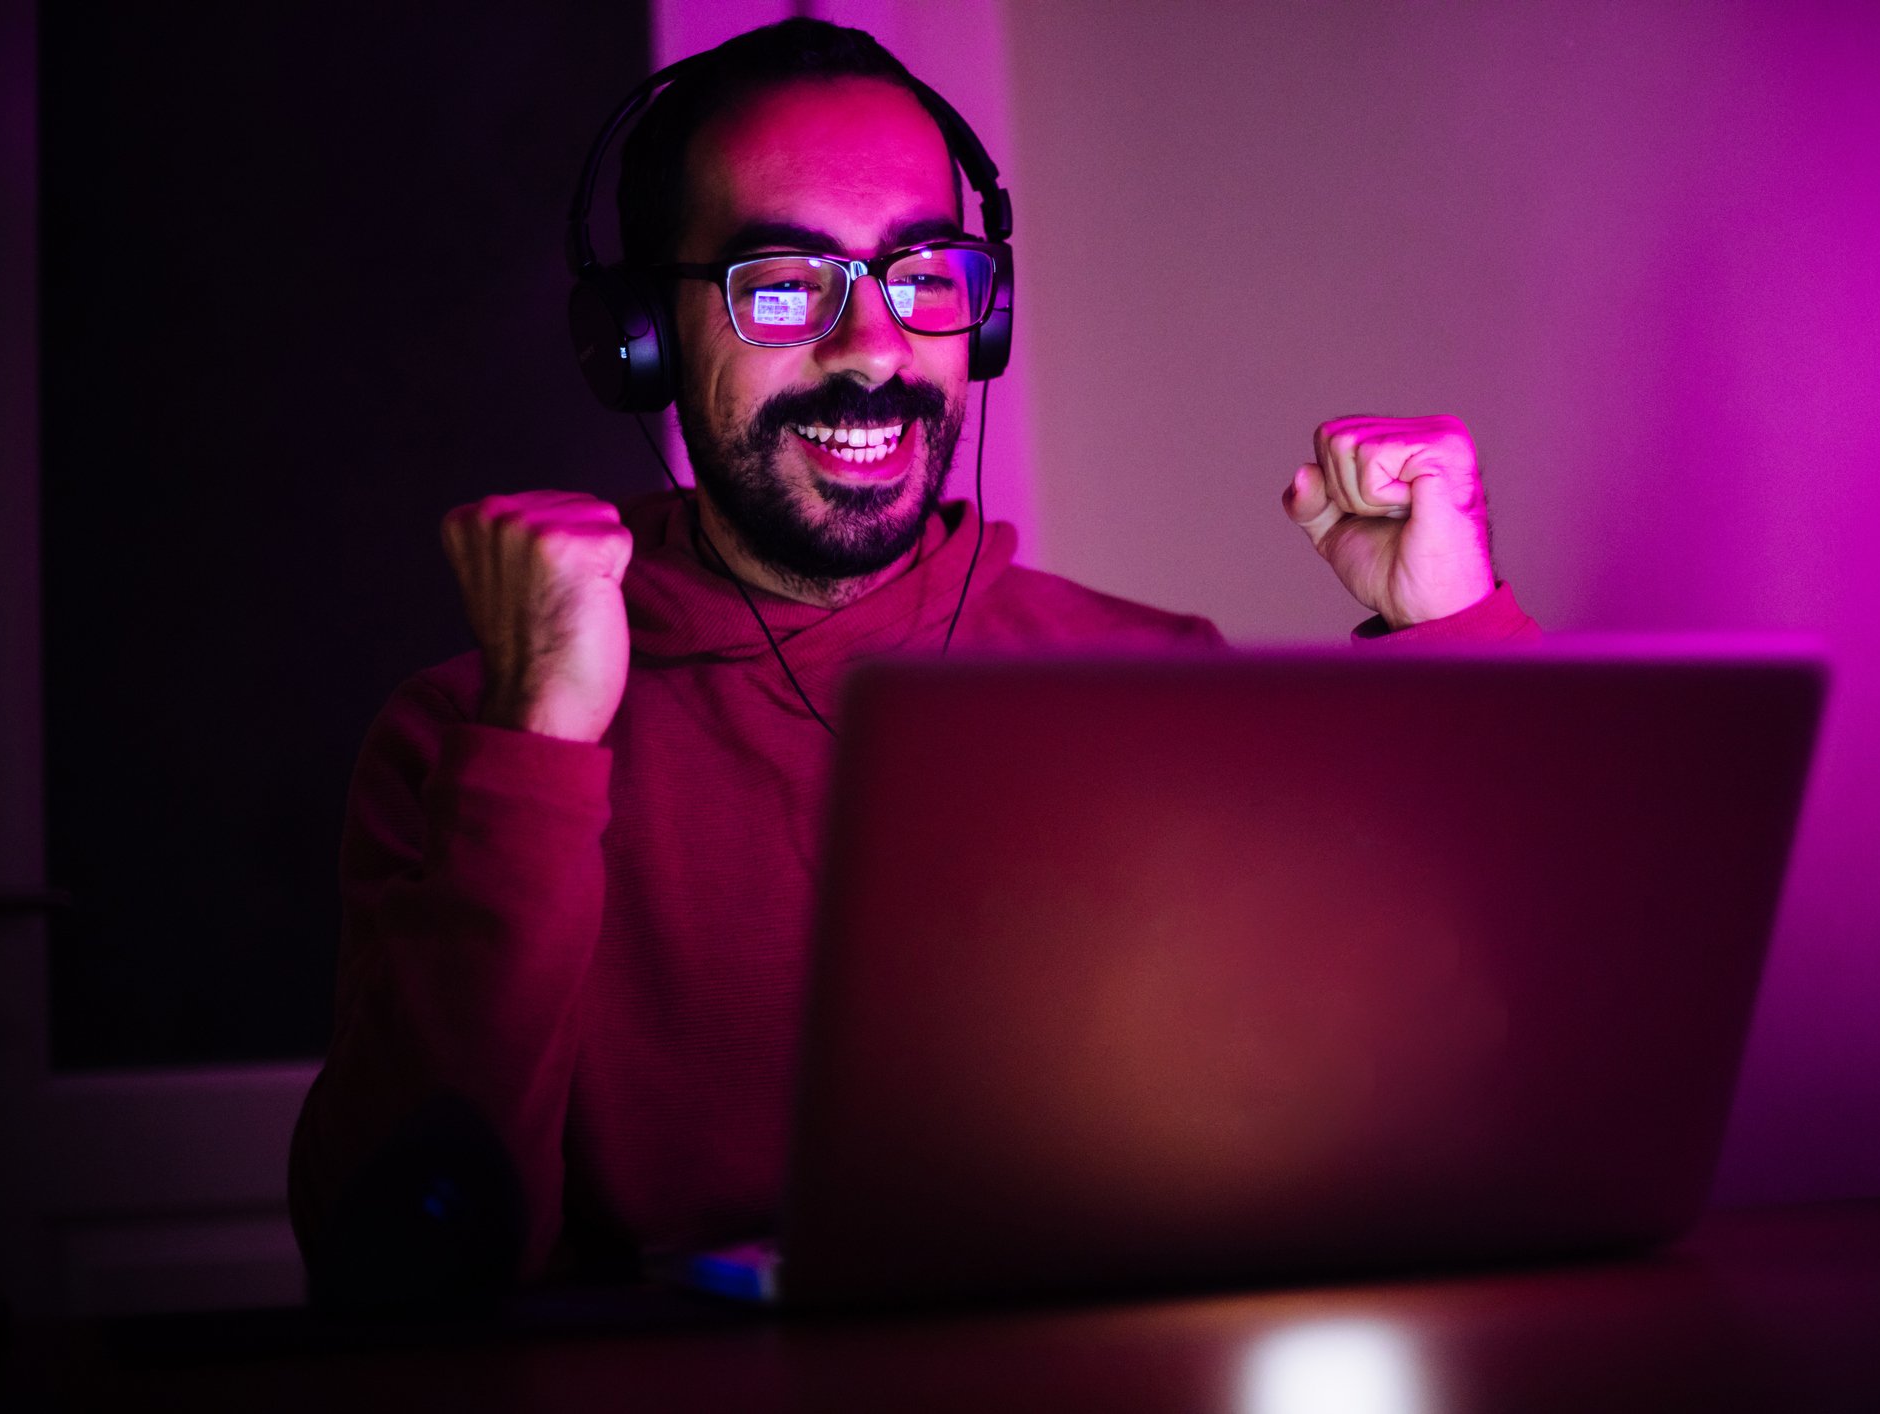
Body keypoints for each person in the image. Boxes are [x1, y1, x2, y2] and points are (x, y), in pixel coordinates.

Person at [288, 18, 1540, 1297]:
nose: (873, 351)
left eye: (923, 274)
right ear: (641, 337)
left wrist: (1452, 639)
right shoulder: (472, 740)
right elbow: (397, 1271)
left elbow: (1494, 1096)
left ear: (980, 314)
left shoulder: (1154, 682)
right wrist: (534, 749)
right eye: (783, 285)